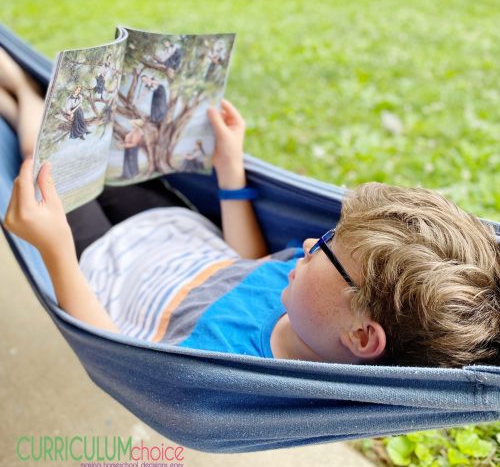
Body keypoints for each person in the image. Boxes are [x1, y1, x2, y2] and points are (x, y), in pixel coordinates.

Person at [1, 46, 499, 367]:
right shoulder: (307, 300)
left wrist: (55, 249)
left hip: (100, 260)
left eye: (326, 248)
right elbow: (246, 263)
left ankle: (21, 93)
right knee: (92, 138)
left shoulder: (231, 368)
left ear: (363, 336)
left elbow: (113, 352)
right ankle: (25, 97)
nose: (308, 243)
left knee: (47, 165)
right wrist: (230, 171)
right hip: (170, 228)